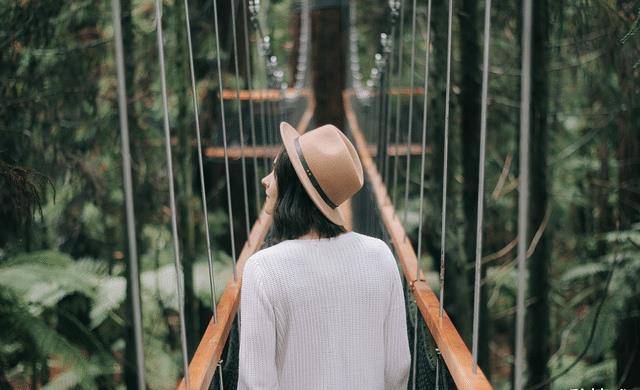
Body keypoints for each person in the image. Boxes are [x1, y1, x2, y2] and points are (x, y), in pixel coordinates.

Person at [238, 122, 411, 389]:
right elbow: (397, 367)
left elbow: (255, 381)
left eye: (274, 171)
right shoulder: (380, 255)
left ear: (292, 184)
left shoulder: (262, 268)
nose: (266, 179)